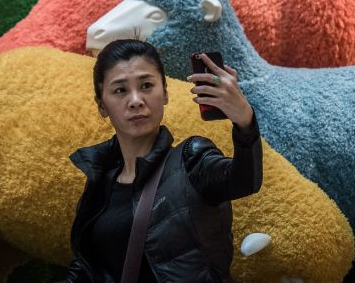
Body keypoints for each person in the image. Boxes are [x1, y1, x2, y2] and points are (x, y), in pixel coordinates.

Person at [61, 39, 263, 283]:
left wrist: (245, 122)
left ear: (165, 94)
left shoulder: (192, 159)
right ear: (102, 106)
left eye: (146, 85)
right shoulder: (101, 179)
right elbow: (89, 267)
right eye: (120, 90)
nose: (135, 100)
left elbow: (244, 180)